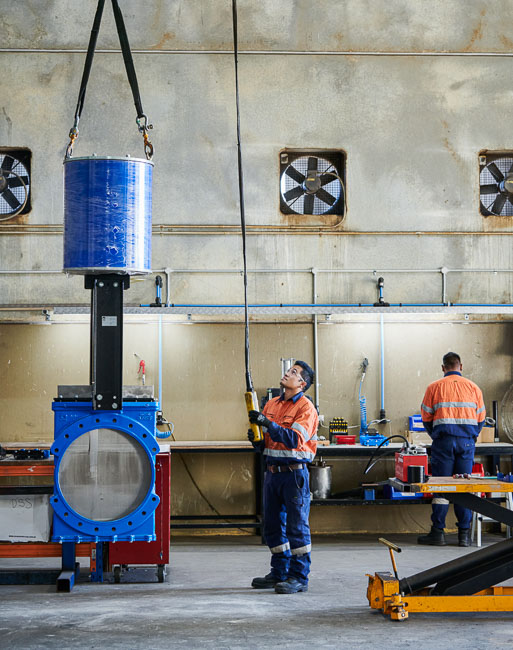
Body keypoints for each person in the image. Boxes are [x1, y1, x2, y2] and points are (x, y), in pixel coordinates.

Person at [247, 360, 318, 594]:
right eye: (289, 370)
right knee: (273, 527)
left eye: (294, 372)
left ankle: (299, 577)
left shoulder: (306, 409)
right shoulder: (272, 404)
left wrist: (267, 424)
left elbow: (295, 440)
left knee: (297, 528)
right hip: (272, 474)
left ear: (302, 383)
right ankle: (279, 572)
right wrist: (257, 440)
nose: (288, 374)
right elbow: (269, 442)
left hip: (294, 476)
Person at [418, 352, 486, 547]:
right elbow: (481, 419)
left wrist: (437, 436)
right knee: (463, 486)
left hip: (443, 442)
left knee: (441, 486)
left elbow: (426, 417)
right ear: (460, 366)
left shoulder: (434, 387)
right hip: (466, 443)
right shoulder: (474, 388)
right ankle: (463, 535)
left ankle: (438, 533)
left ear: (443, 368)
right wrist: (470, 437)